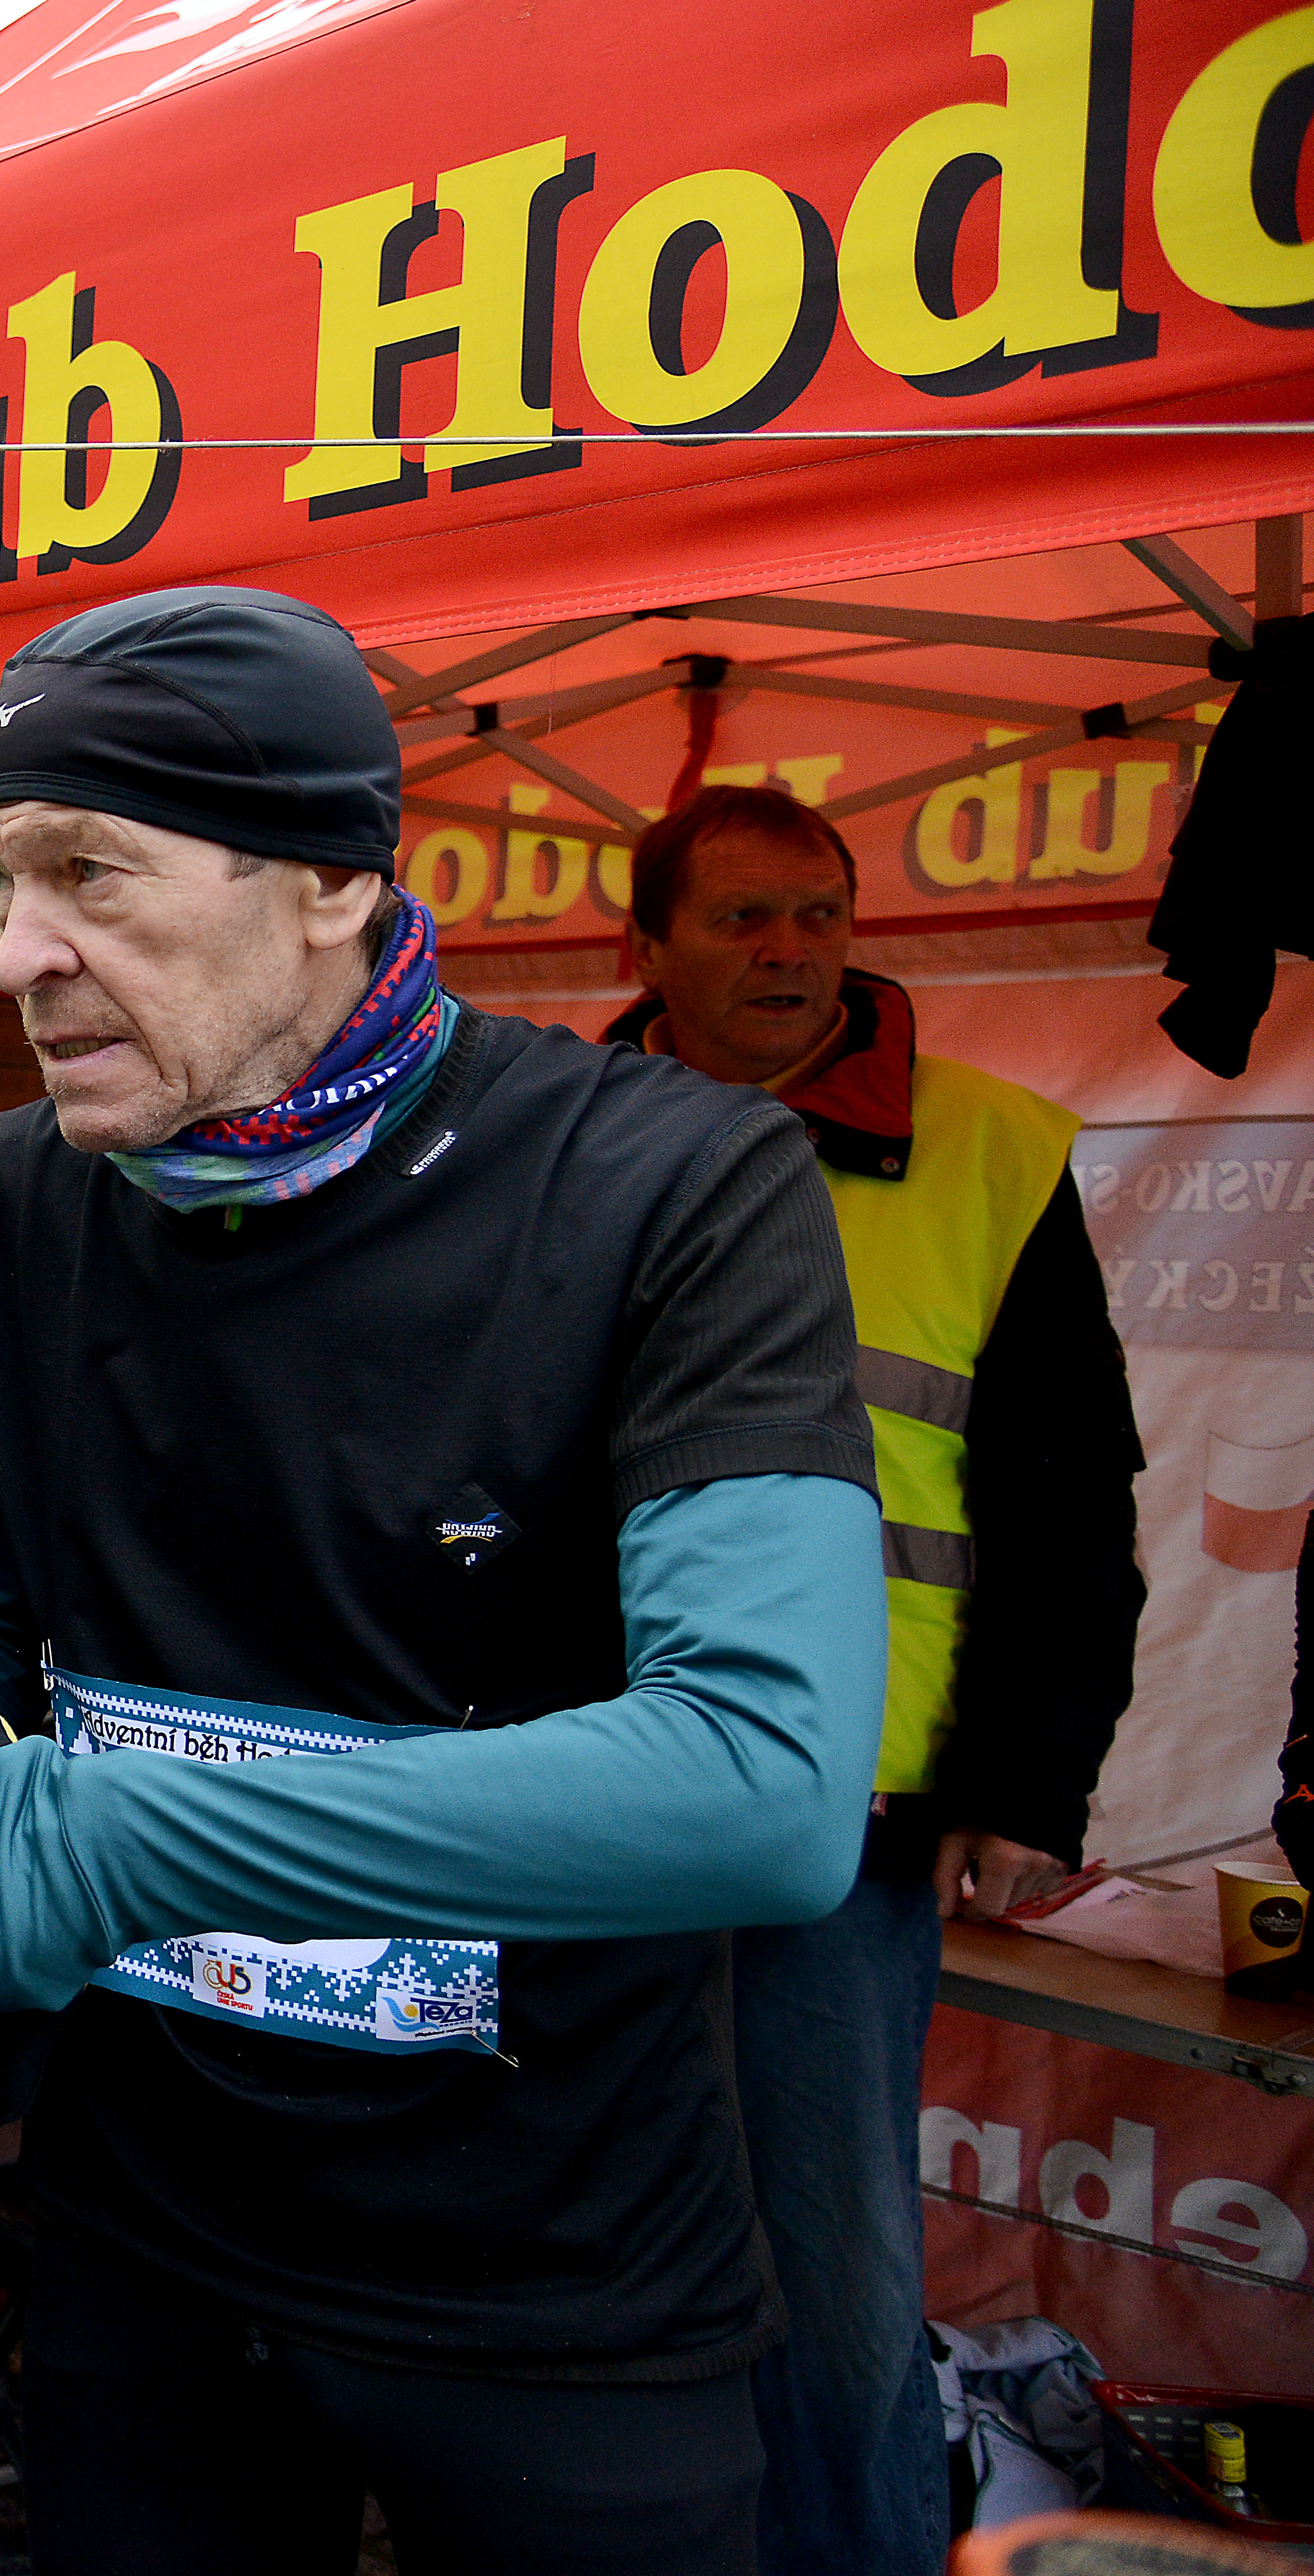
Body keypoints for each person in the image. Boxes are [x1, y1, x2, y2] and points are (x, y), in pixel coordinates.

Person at [0, 588, 887, 2576]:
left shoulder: (672, 1183)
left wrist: (116, 1837)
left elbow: (765, 1780)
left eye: (87, 873)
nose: (13, 949)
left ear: (327, 878)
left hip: (549, 2272)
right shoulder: (6, 1197)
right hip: (140, 2237)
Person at [608, 781, 1144, 2575]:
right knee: (582, 2242)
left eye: (819, 916)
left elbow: (1069, 1502)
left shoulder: (991, 1151)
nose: (790, 952)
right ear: (649, 947)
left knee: (832, 2287)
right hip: (568, 1797)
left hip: (844, 1816)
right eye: (743, 919)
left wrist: (1025, 1776)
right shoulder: (546, 1139)